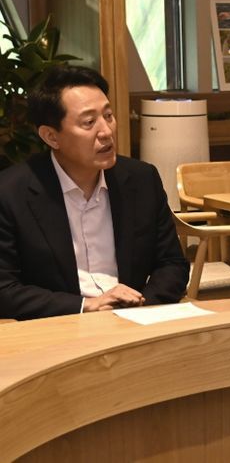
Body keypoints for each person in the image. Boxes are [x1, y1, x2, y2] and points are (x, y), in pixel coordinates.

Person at [0, 65, 189, 320]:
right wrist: (86, 305)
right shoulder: (11, 193)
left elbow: (172, 264)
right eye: (89, 122)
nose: (106, 131)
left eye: (108, 116)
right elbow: (4, 289)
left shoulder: (142, 179)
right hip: (63, 323)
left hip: (136, 319)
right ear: (51, 136)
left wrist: (140, 307)